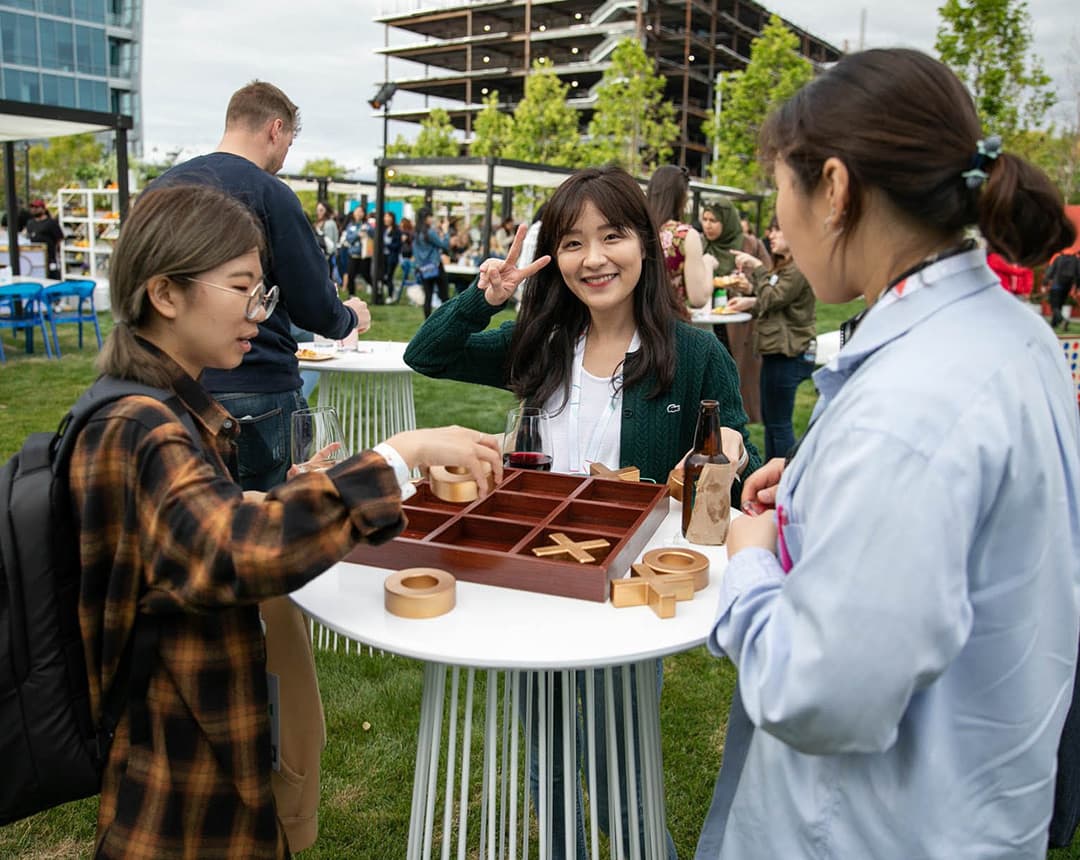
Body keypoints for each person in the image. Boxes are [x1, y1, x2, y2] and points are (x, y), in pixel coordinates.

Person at [697, 48, 1080, 860]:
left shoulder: (909, 409)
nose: (781, 223)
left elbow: (822, 693)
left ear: (834, 189)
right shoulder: (1013, 336)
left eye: (781, 189)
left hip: (877, 830)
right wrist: (819, 487)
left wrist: (750, 564)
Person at [75, 182, 502, 859]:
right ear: (164, 293)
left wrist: (298, 494)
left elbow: (190, 532)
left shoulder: (163, 410)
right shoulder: (140, 426)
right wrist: (398, 455)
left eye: (264, 292)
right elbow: (234, 554)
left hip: (203, 754)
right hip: (178, 788)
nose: (262, 312)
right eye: (245, 287)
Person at [405, 166, 761, 860]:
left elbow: (740, 447)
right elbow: (429, 354)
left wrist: (735, 452)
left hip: (627, 589)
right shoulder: (539, 342)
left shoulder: (694, 356)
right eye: (572, 243)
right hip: (538, 576)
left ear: (645, 247)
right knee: (546, 764)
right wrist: (483, 298)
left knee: (618, 767)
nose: (594, 258)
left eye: (612, 236)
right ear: (555, 256)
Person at [153, 81, 369, 492]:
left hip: (169, 384)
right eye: (288, 142)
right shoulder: (270, 194)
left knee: (194, 516)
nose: (285, 157)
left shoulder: (160, 188)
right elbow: (313, 306)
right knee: (276, 528)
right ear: (276, 129)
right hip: (256, 384)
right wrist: (349, 317)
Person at [727, 220, 816, 460]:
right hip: (775, 351)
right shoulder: (785, 267)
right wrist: (750, 300)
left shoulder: (798, 268)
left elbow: (772, 298)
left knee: (779, 423)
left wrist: (757, 267)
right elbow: (774, 304)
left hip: (788, 353)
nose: (771, 235)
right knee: (772, 421)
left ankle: (783, 476)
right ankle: (772, 470)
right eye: (771, 230)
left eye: (778, 230)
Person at [700, 197, 762, 423]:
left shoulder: (749, 245)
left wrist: (749, 287)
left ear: (727, 222)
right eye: (705, 219)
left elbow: (770, 280)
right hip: (705, 322)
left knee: (733, 386)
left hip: (739, 328)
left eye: (714, 221)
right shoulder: (700, 244)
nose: (708, 225)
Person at [646, 165, 713, 316]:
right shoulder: (685, 235)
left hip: (635, 325)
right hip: (671, 324)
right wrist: (708, 264)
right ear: (681, 197)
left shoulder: (637, 230)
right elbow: (698, 299)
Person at [413, 207, 450, 318]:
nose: (432, 219)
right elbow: (444, 245)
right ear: (425, 218)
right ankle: (448, 318)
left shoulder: (417, 233)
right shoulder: (429, 232)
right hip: (435, 266)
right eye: (430, 216)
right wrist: (446, 231)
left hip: (424, 268)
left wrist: (418, 265)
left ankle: (427, 321)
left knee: (428, 296)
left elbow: (415, 252)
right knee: (444, 295)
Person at [25, 197, 65, 278]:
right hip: (34, 257)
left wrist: (56, 251)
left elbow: (59, 238)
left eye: (36, 207)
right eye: (32, 207)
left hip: (49, 258)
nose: (34, 209)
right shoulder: (30, 223)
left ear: (43, 209)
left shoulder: (51, 223)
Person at [1044, 248, 1080, 329]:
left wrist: (1045, 282)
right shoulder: (1076, 258)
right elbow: (1078, 274)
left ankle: (1062, 320)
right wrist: (1077, 287)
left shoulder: (1058, 257)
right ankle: (1054, 324)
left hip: (1056, 284)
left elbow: (1050, 270)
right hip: (1067, 285)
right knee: (1059, 305)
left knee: (1054, 306)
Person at [380, 210, 403, 303]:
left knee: (389, 275)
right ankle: (392, 290)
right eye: (385, 217)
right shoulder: (383, 230)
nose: (387, 219)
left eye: (389, 217)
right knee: (383, 276)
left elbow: (397, 245)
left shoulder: (397, 231)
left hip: (392, 257)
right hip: (384, 256)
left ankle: (390, 295)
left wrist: (387, 244)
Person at [312, 200, 338, 282]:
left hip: (326, 256)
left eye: (321, 210)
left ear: (326, 210)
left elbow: (329, 245)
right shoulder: (319, 222)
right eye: (318, 210)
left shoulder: (329, 223)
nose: (319, 212)